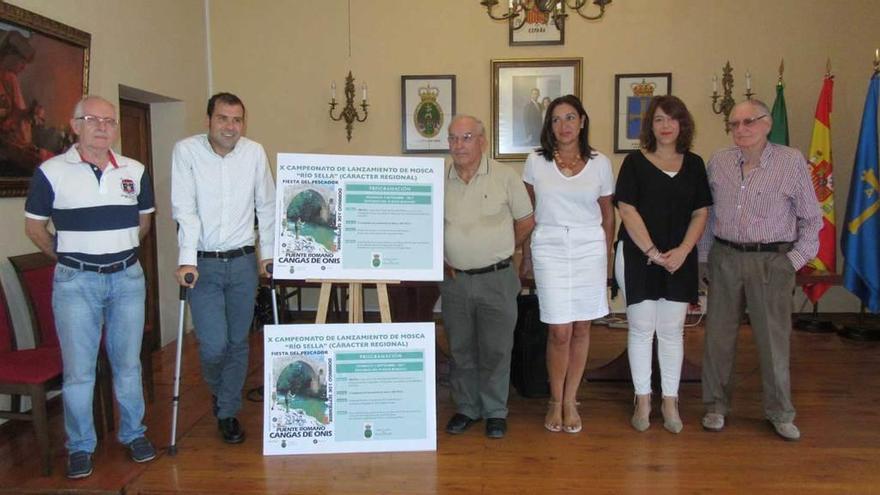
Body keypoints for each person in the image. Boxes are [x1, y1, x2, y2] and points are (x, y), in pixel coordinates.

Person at [24, 95, 157, 479]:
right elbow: (35, 228)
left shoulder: (135, 169)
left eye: (109, 121)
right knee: (79, 372)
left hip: (128, 279)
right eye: (92, 119)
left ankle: (134, 434)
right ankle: (80, 446)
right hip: (76, 283)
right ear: (75, 125)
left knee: (127, 365)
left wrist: (120, 250)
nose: (102, 127)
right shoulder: (51, 172)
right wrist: (69, 258)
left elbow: (143, 223)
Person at [700, 99, 822, 441]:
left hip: (772, 260)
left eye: (748, 122)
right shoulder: (720, 161)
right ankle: (715, 406)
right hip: (725, 256)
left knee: (773, 340)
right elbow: (708, 215)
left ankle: (780, 412)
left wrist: (793, 261)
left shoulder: (791, 161)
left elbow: (812, 219)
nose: (741, 129)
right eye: (734, 124)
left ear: (767, 124)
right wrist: (705, 257)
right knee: (718, 338)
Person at [171, 92, 275, 444]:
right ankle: (221, 391)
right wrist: (186, 258)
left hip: (244, 261)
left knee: (238, 341)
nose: (230, 127)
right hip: (204, 264)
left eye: (237, 119)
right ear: (208, 120)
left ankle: (228, 411)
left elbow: (268, 205)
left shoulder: (255, 153)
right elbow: (184, 208)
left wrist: (269, 254)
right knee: (213, 345)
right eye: (223, 119)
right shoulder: (186, 152)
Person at [612, 95, 711, 434]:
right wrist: (653, 253)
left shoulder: (695, 164)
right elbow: (626, 209)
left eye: (672, 119)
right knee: (641, 329)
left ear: (683, 124)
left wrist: (683, 251)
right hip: (639, 256)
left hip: (680, 257)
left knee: (671, 332)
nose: (666, 126)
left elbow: (701, 212)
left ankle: (670, 399)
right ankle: (642, 398)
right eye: (658, 120)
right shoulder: (634, 163)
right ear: (649, 126)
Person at [520, 95, 615, 434]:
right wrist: (527, 256)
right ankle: (554, 399)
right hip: (549, 246)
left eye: (570, 117)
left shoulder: (601, 163)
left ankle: (571, 400)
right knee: (559, 330)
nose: (564, 125)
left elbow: (608, 216)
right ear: (550, 125)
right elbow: (528, 214)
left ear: (583, 121)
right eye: (557, 119)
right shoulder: (535, 162)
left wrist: (607, 262)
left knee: (582, 328)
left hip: (589, 247)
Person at [441, 114, 534, 439]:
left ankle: (495, 410)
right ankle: (467, 408)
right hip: (455, 281)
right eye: (453, 138)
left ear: (482, 141)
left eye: (466, 138)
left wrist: (505, 248)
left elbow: (526, 221)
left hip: (497, 278)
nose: (458, 145)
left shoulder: (506, 177)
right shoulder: (439, 179)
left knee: (496, 349)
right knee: (461, 349)